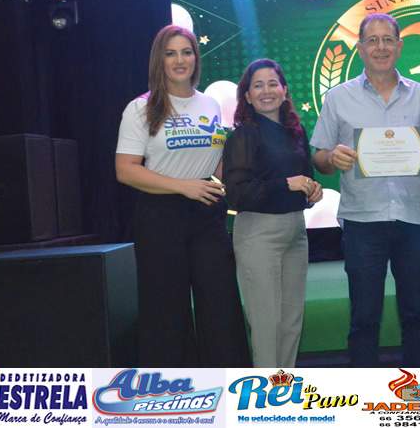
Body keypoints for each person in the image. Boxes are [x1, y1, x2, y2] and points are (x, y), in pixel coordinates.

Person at [310, 13, 420, 367]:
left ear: (399, 46)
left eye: (388, 40)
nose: (380, 47)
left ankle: (417, 393)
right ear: (360, 48)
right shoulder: (338, 97)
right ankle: (364, 393)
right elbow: (319, 158)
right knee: (364, 318)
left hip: (414, 219)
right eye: (372, 40)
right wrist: (331, 157)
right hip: (362, 221)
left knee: (417, 315)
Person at [115, 24, 250, 367]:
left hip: (207, 213)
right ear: (158, 60)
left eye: (186, 52)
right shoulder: (140, 108)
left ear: (196, 58)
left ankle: (229, 384)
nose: (179, 60)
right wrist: (183, 185)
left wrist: (253, 187)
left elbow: (217, 161)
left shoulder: (210, 104)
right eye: (170, 53)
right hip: (160, 215)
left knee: (220, 306)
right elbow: (126, 170)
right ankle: (173, 391)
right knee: (166, 311)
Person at [222, 58, 322, 368]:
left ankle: (283, 386)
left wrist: (313, 192)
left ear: (284, 90)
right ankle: (266, 394)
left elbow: (304, 179)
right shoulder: (243, 135)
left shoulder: (296, 132)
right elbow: (236, 193)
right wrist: (286, 184)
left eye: (272, 83)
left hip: (296, 232)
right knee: (266, 323)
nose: (266, 91)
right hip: (258, 234)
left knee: (291, 322)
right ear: (247, 96)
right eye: (258, 85)